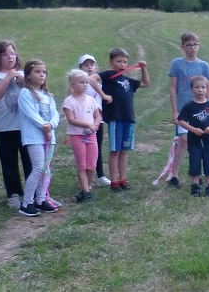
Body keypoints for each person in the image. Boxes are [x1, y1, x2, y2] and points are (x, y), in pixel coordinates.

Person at [0, 40, 31, 207]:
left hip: (26, 126)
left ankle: (33, 192)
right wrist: (9, 77)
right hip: (5, 127)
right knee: (9, 162)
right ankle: (14, 194)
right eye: (5, 54)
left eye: (12, 53)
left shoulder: (23, 74)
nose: (10, 57)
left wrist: (25, 82)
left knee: (30, 160)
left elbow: (38, 92)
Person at [166, 33, 209, 187]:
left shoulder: (204, 66)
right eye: (189, 45)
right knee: (182, 140)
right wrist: (175, 111)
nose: (192, 48)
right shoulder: (177, 64)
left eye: (195, 45)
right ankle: (174, 175)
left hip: (201, 111)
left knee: (199, 142)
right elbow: (173, 88)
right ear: (183, 47)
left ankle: (197, 174)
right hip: (184, 109)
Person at [98, 48, 147, 192]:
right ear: (111, 62)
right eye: (118, 61)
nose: (122, 64)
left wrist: (143, 69)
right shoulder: (109, 75)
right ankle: (114, 181)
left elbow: (145, 83)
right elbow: (92, 79)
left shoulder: (127, 80)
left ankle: (123, 180)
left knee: (124, 151)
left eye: (125, 62)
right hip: (115, 118)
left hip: (128, 119)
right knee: (115, 151)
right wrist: (104, 95)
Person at [17, 59, 60, 217]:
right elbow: (31, 114)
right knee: (38, 167)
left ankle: (41, 199)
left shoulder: (48, 96)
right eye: (37, 72)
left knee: (46, 169)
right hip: (34, 137)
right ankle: (27, 202)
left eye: (44, 72)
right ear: (28, 75)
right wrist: (44, 126)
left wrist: (51, 125)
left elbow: (55, 114)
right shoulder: (25, 94)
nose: (42, 75)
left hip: (48, 137)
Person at [174, 75, 209, 196]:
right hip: (194, 140)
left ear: (207, 89)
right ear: (191, 89)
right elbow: (181, 121)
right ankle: (195, 187)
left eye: (203, 87)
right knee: (194, 162)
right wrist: (193, 129)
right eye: (197, 87)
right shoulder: (189, 106)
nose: (200, 90)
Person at [62, 69, 102, 203]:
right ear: (72, 84)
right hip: (77, 136)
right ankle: (86, 192)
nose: (85, 85)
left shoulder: (91, 100)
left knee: (92, 165)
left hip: (91, 136)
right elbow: (71, 119)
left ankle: (86, 188)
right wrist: (88, 125)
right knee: (82, 165)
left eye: (86, 82)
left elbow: (97, 116)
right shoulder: (69, 101)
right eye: (81, 82)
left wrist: (94, 125)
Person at [77, 54, 112, 186]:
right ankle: (86, 178)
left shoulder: (101, 86)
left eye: (92, 65)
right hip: (84, 122)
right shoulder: (80, 87)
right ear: (80, 68)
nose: (89, 67)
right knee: (84, 151)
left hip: (98, 122)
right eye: (86, 65)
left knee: (97, 148)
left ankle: (100, 175)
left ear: (96, 68)